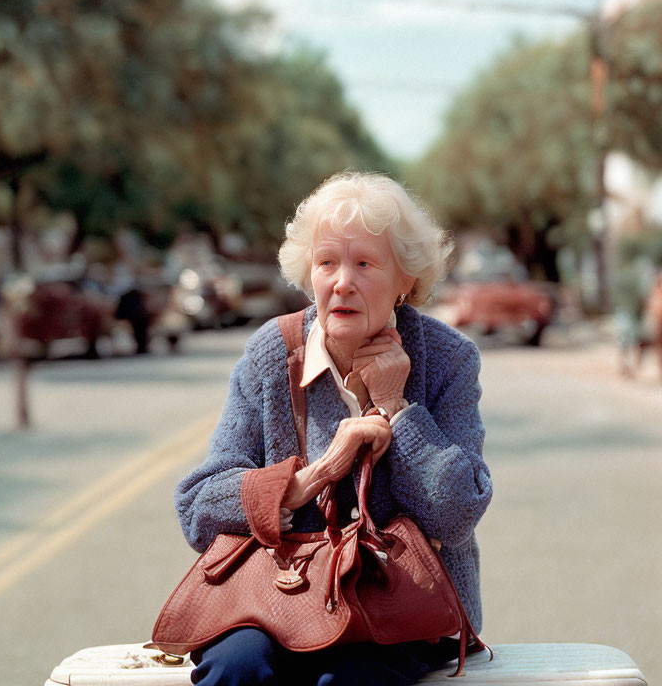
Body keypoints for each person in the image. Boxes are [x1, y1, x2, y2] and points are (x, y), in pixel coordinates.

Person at [174, 172, 493, 686]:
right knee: (236, 669)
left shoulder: (449, 359)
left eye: (365, 264)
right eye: (327, 263)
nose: (341, 281)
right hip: (286, 591)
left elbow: (456, 515)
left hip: (404, 601)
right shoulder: (269, 354)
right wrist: (310, 477)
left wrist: (398, 408)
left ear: (405, 281)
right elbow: (197, 506)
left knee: (350, 680)